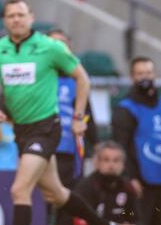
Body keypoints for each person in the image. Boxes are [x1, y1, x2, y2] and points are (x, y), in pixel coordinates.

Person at [0, 0, 107, 225]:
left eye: (21, 14)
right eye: (11, 16)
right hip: (22, 130)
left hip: (46, 127)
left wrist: (78, 118)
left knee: (20, 190)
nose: (16, 19)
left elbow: (82, 78)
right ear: (5, 20)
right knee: (55, 194)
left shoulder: (50, 47)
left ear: (31, 18)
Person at [112, 56, 161, 225]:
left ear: (155, 75)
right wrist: (130, 177)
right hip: (141, 183)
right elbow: (121, 145)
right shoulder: (126, 108)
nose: (145, 77)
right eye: (140, 73)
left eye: (149, 72)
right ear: (132, 78)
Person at [47, 29, 99, 225]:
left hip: (71, 155)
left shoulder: (78, 82)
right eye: (54, 43)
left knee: (67, 205)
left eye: (63, 44)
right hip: (44, 152)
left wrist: (96, 146)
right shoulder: (38, 80)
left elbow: (88, 116)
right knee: (41, 204)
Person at [73, 141, 139, 225]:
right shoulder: (86, 187)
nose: (111, 165)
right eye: (106, 160)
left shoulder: (128, 187)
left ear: (123, 165)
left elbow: (136, 218)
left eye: (116, 160)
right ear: (97, 163)